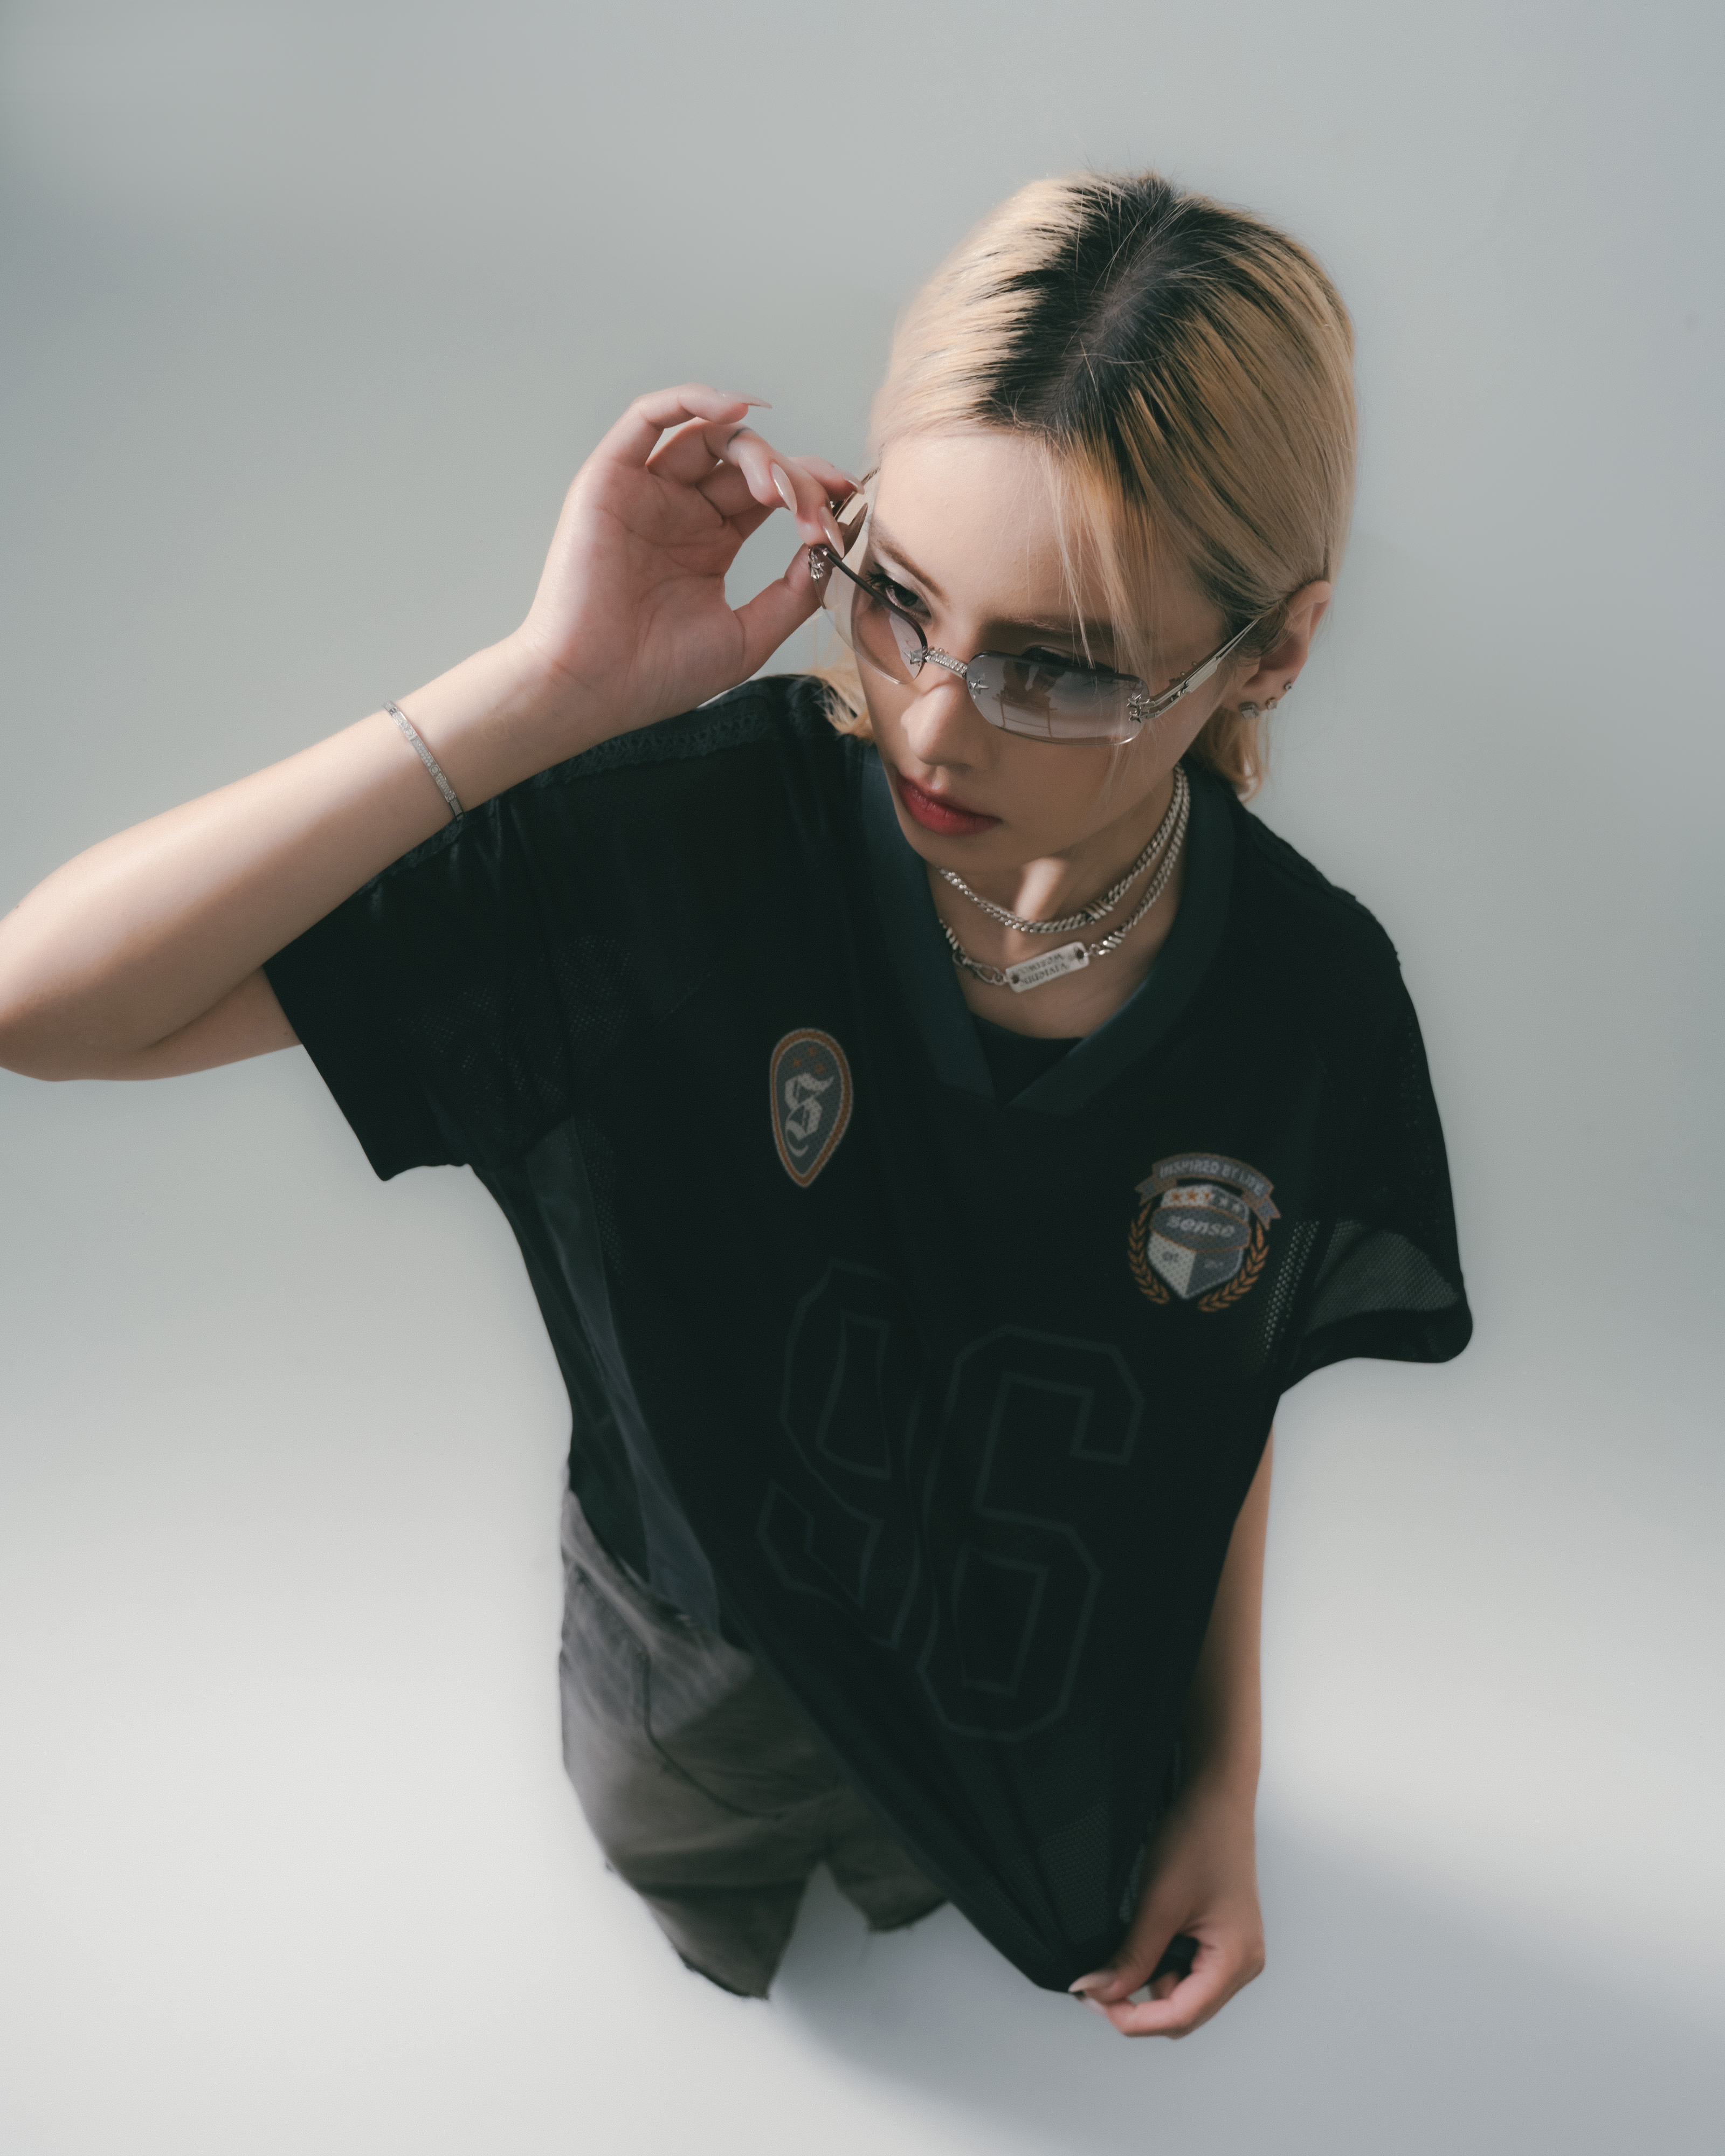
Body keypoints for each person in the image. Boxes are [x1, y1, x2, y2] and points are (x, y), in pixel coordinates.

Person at [0, 171, 1469, 2038]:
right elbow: (47, 1004)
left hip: (1040, 1725)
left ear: (1270, 651)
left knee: (946, 1946)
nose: (934, 721)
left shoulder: (1312, 998)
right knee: (715, 1943)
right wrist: (540, 695)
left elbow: (1214, 1396)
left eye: (1061, 668)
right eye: (896, 599)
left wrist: (1216, 1782)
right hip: (694, 1689)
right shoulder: (679, 849)